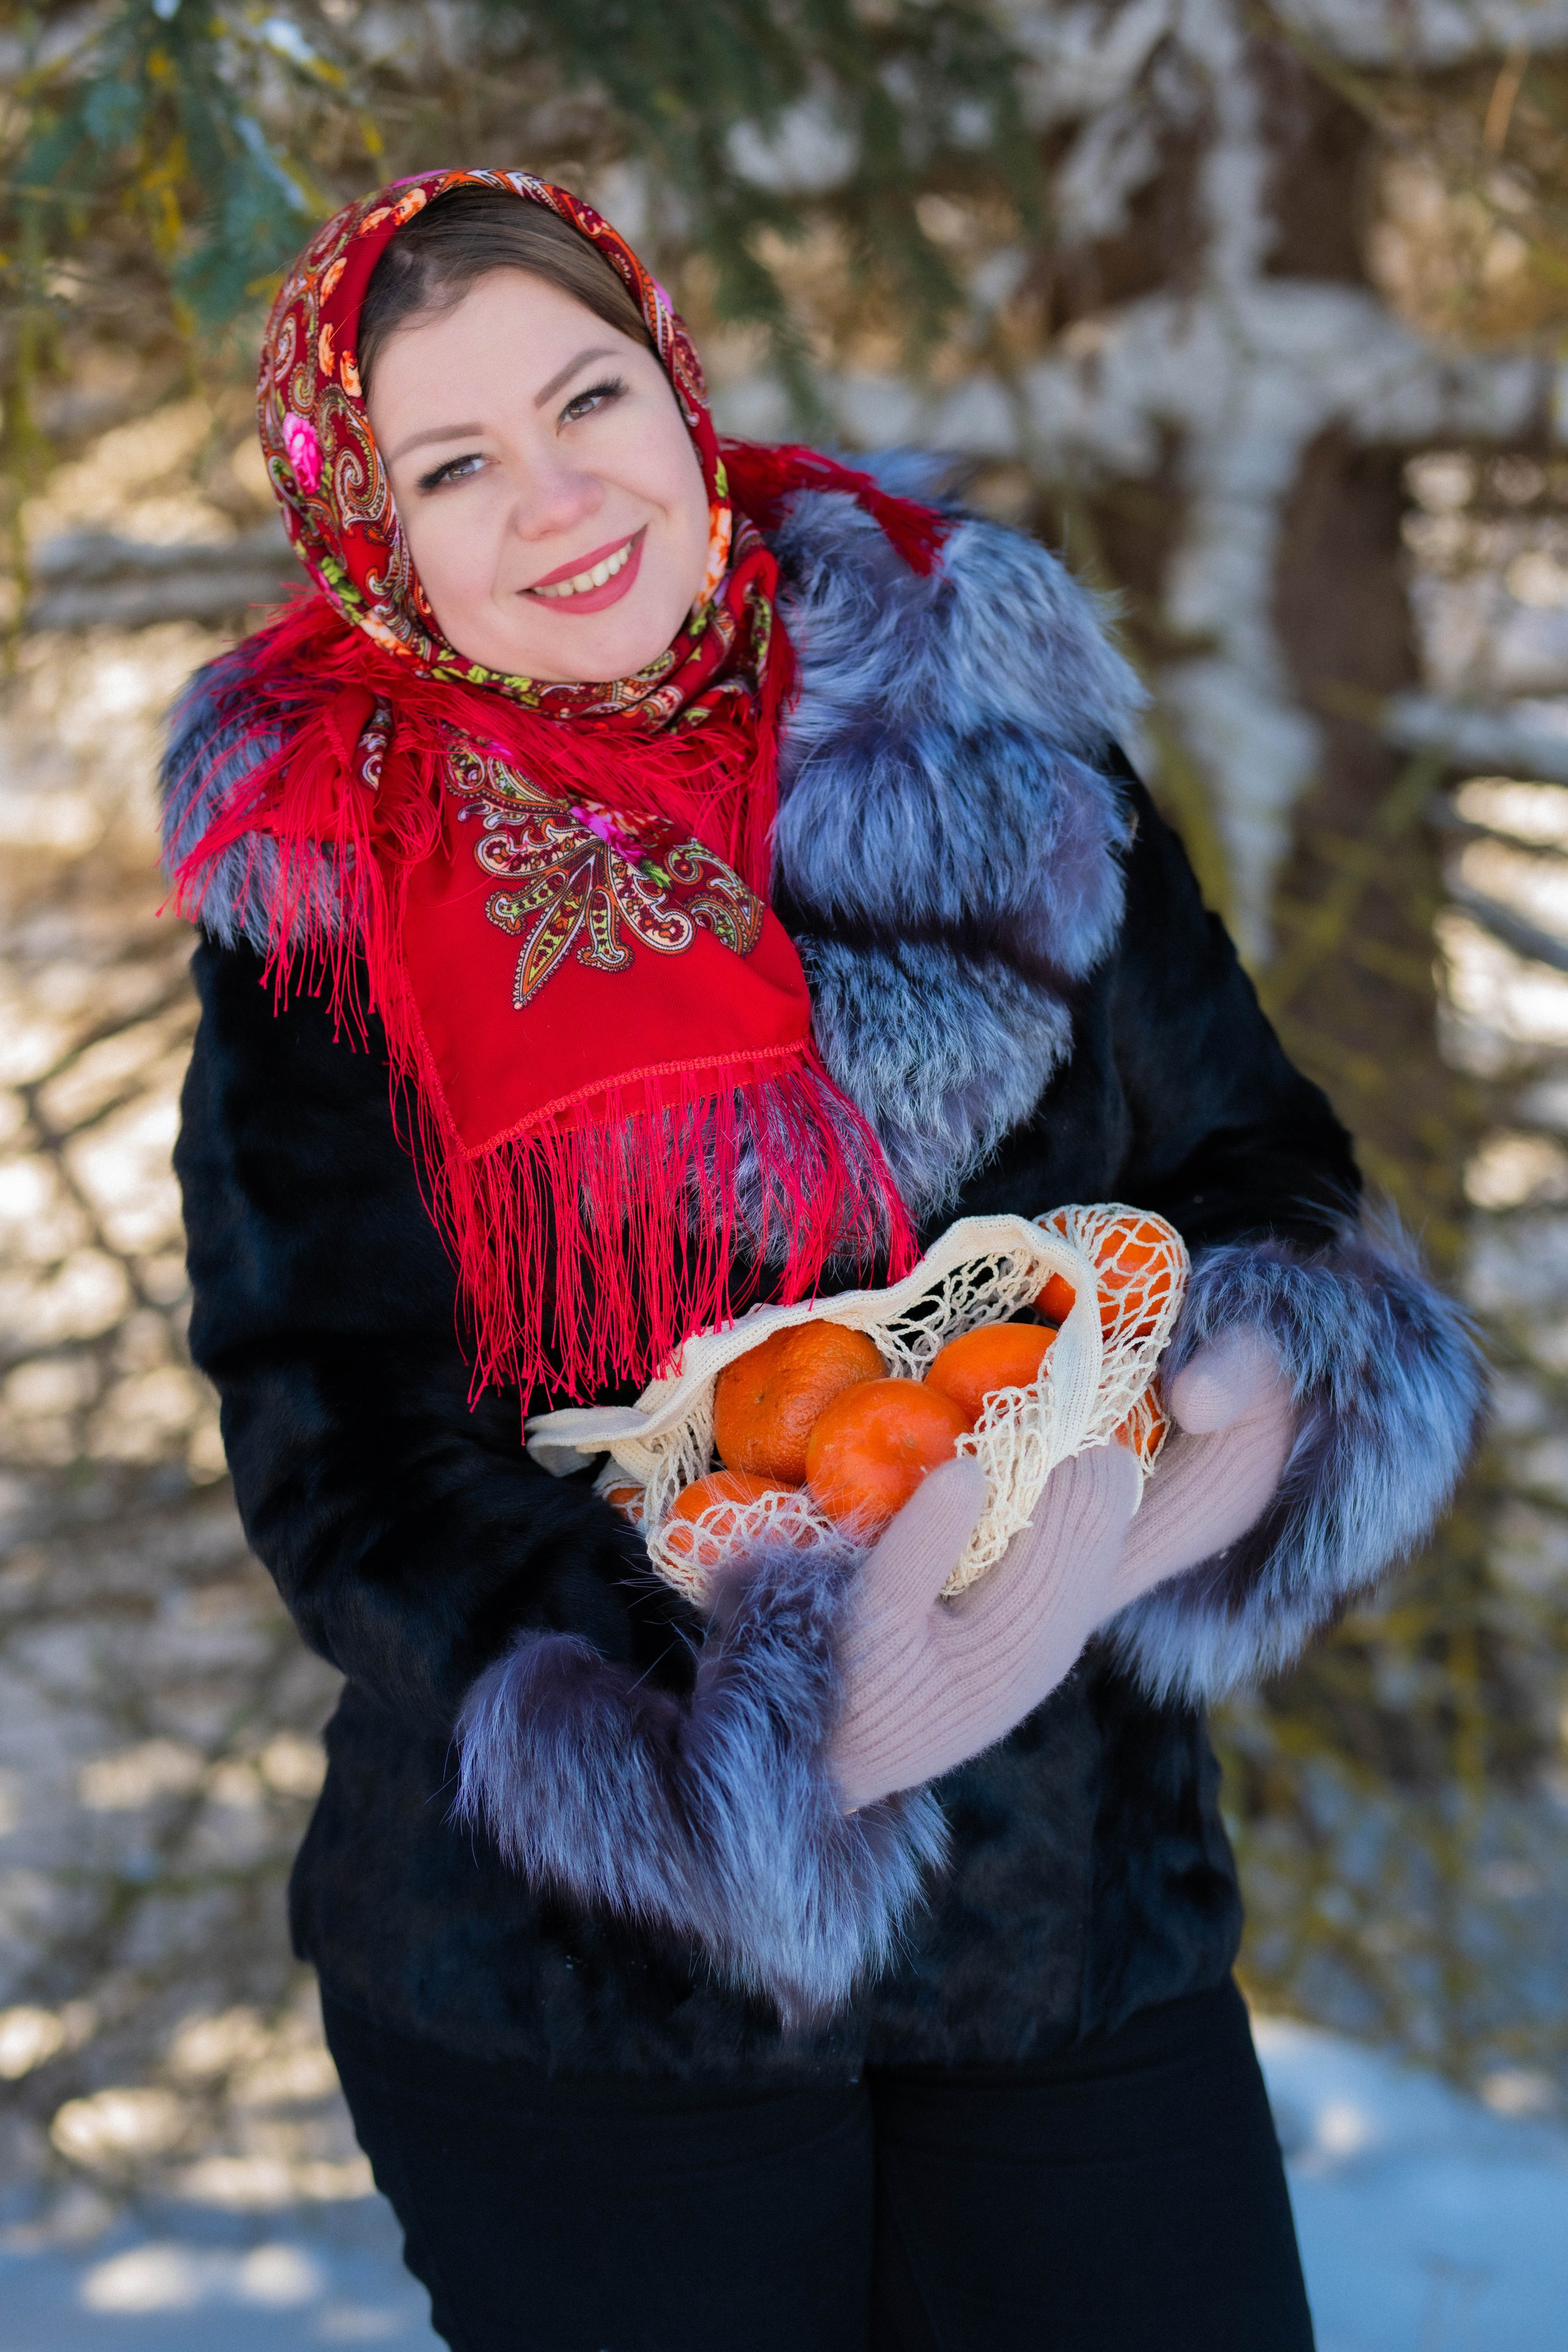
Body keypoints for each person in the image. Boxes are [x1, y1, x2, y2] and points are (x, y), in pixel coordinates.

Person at [164, 171, 1481, 2352]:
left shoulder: (991, 727)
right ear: (372, 533)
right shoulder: (329, 892)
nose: (559, 496)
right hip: (587, 1996)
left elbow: (1258, 1163)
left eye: (590, 396)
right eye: (454, 464)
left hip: (1070, 1923)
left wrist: (1198, 1456)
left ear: (680, 391)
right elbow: (344, 1456)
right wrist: (776, 1734)